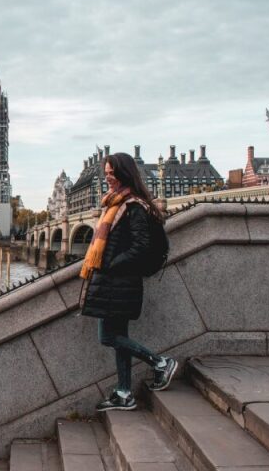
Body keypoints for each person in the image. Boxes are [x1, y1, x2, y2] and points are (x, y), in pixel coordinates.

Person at [80, 152, 177, 412]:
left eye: (112, 173)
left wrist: (112, 264)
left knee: (108, 336)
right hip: (114, 284)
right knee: (118, 336)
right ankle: (124, 392)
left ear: (125, 173)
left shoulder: (132, 205)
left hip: (119, 283)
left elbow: (141, 246)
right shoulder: (114, 204)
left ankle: (160, 363)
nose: (108, 178)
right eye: (106, 173)